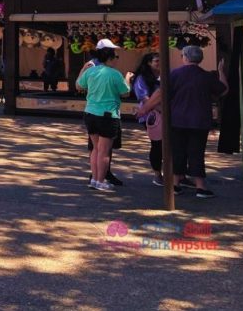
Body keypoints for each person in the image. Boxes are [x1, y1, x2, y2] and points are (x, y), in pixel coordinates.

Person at [140, 45, 226, 198]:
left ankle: (175, 184)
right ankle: (200, 186)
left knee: (176, 151)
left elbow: (159, 94)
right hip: (199, 121)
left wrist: (145, 108)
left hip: (177, 120)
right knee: (197, 153)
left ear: (185, 57)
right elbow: (224, 89)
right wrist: (221, 71)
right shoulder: (206, 76)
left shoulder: (174, 74)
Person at [77, 43, 129, 193]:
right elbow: (125, 92)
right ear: (111, 58)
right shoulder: (115, 74)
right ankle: (100, 181)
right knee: (104, 151)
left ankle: (94, 179)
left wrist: (83, 70)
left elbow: (79, 85)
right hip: (107, 114)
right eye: (116, 57)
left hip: (90, 113)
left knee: (95, 148)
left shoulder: (91, 71)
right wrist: (128, 79)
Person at [131, 52, 162, 186]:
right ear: (149, 63)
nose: (159, 63)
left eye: (160, 60)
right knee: (157, 144)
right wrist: (160, 109)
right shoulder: (141, 78)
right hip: (151, 115)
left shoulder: (164, 75)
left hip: (166, 113)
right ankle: (157, 174)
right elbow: (144, 98)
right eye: (156, 61)